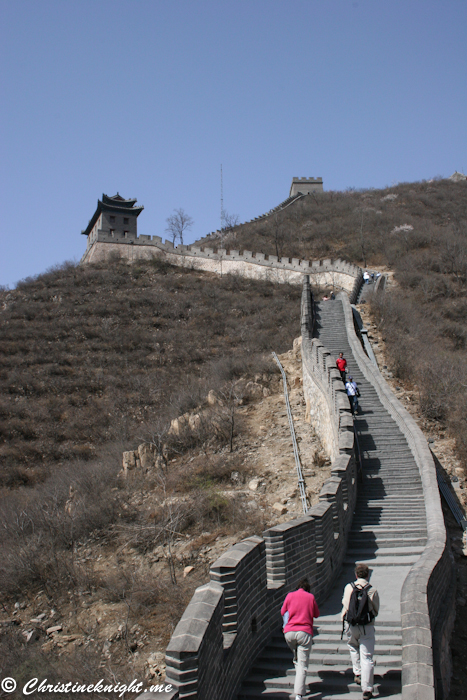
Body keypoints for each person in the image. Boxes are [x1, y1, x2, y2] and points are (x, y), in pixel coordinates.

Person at [342, 564, 380, 700]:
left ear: (356, 575)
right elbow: (376, 609)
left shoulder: (348, 587)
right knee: (367, 657)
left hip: (351, 625)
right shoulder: (372, 590)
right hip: (367, 626)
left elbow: (345, 605)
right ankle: (367, 689)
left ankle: (357, 673)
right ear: (368, 575)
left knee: (353, 646)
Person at [281, 577, 320, 700]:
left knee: (297, 659)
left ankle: (298, 670)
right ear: (308, 589)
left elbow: (283, 611)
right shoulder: (310, 597)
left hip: (289, 633)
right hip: (304, 633)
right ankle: (299, 694)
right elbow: (316, 614)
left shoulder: (289, 595)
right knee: (303, 664)